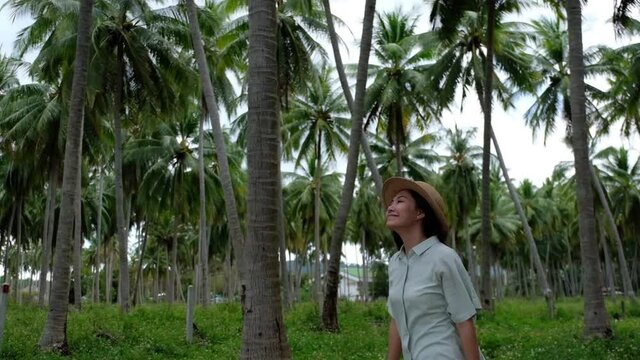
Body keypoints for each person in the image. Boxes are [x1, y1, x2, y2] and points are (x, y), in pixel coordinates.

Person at [383, 177, 483, 360]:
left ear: (420, 212)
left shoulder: (444, 258)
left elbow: (464, 322)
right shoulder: (395, 263)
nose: (390, 207)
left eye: (400, 201)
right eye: (391, 202)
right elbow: (396, 320)